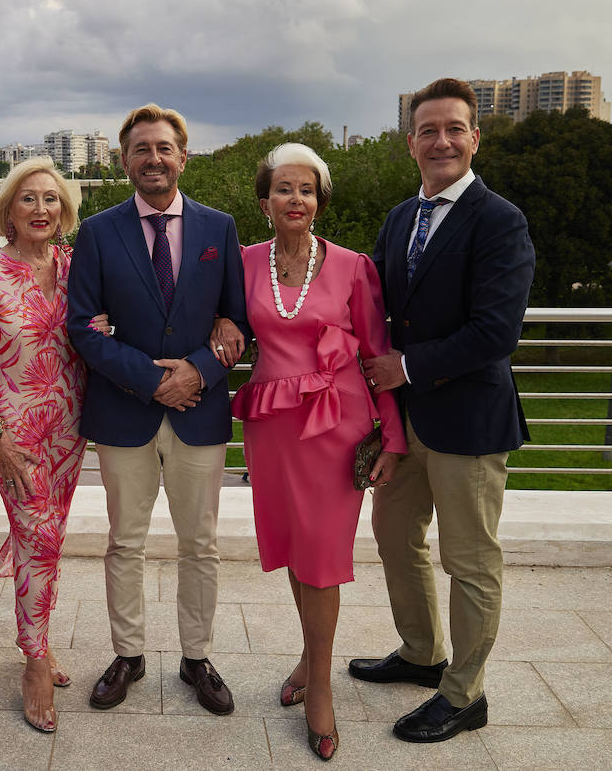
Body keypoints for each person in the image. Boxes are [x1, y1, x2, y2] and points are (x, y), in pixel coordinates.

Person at [351, 78, 535, 743]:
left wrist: (406, 366)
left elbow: (496, 332)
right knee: (396, 540)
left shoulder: (499, 220)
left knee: (470, 561)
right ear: (411, 144)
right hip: (406, 426)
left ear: (475, 138)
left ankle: (464, 694)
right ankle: (422, 654)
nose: (441, 141)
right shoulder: (402, 218)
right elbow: (370, 306)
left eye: (454, 128)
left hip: (467, 425)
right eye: (428, 130)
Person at [211, 144, 406, 761]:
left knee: (322, 555)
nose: (295, 200)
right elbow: (210, 321)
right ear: (264, 200)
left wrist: (393, 438)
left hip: (336, 428)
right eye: (283, 189)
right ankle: (308, 653)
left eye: (307, 190)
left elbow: (377, 359)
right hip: (271, 430)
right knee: (297, 549)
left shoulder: (353, 267)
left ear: (320, 201)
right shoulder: (240, 264)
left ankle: (319, 683)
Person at [67, 103, 248, 715]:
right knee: (125, 542)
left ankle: (197, 657)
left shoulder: (219, 229)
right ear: (124, 160)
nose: (153, 158)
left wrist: (198, 370)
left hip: (200, 409)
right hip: (125, 413)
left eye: (164, 147)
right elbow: (84, 331)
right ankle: (129, 653)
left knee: (201, 543)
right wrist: (152, 381)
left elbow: (238, 322)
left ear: (183, 156)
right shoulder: (96, 232)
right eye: (141, 149)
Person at [0, 158, 86, 733]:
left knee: (46, 540)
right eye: (28, 199)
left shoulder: (77, 266)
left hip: (71, 430)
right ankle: (35, 659)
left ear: (65, 211)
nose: (41, 209)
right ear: (7, 210)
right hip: (16, 437)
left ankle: (37, 633)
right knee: (39, 537)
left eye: (51, 200)